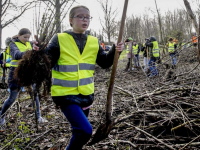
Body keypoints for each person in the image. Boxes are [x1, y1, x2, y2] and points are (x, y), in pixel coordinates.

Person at [33, 5, 123, 150]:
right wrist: (38, 54)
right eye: (80, 16)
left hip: (86, 94)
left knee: (78, 131)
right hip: (65, 95)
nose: (85, 20)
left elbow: (105, 63)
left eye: (87, 17)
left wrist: (114, 50)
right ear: (70, 20)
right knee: (85, 131)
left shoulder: (94, 41)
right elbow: (46, 64)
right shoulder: (59, 39)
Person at [0, 28, 48, 125]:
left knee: (35, 95)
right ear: (19, 35)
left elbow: (38, 49)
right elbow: (17, 55)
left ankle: (38, 117)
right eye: (24, 37)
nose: (27, 39)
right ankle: (1, 116)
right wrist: (30, 52)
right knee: (12, 98)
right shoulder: (12, 44)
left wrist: (38, 45)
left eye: (28, 37)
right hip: (15, 74)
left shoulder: (30, 43)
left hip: (29, 73)